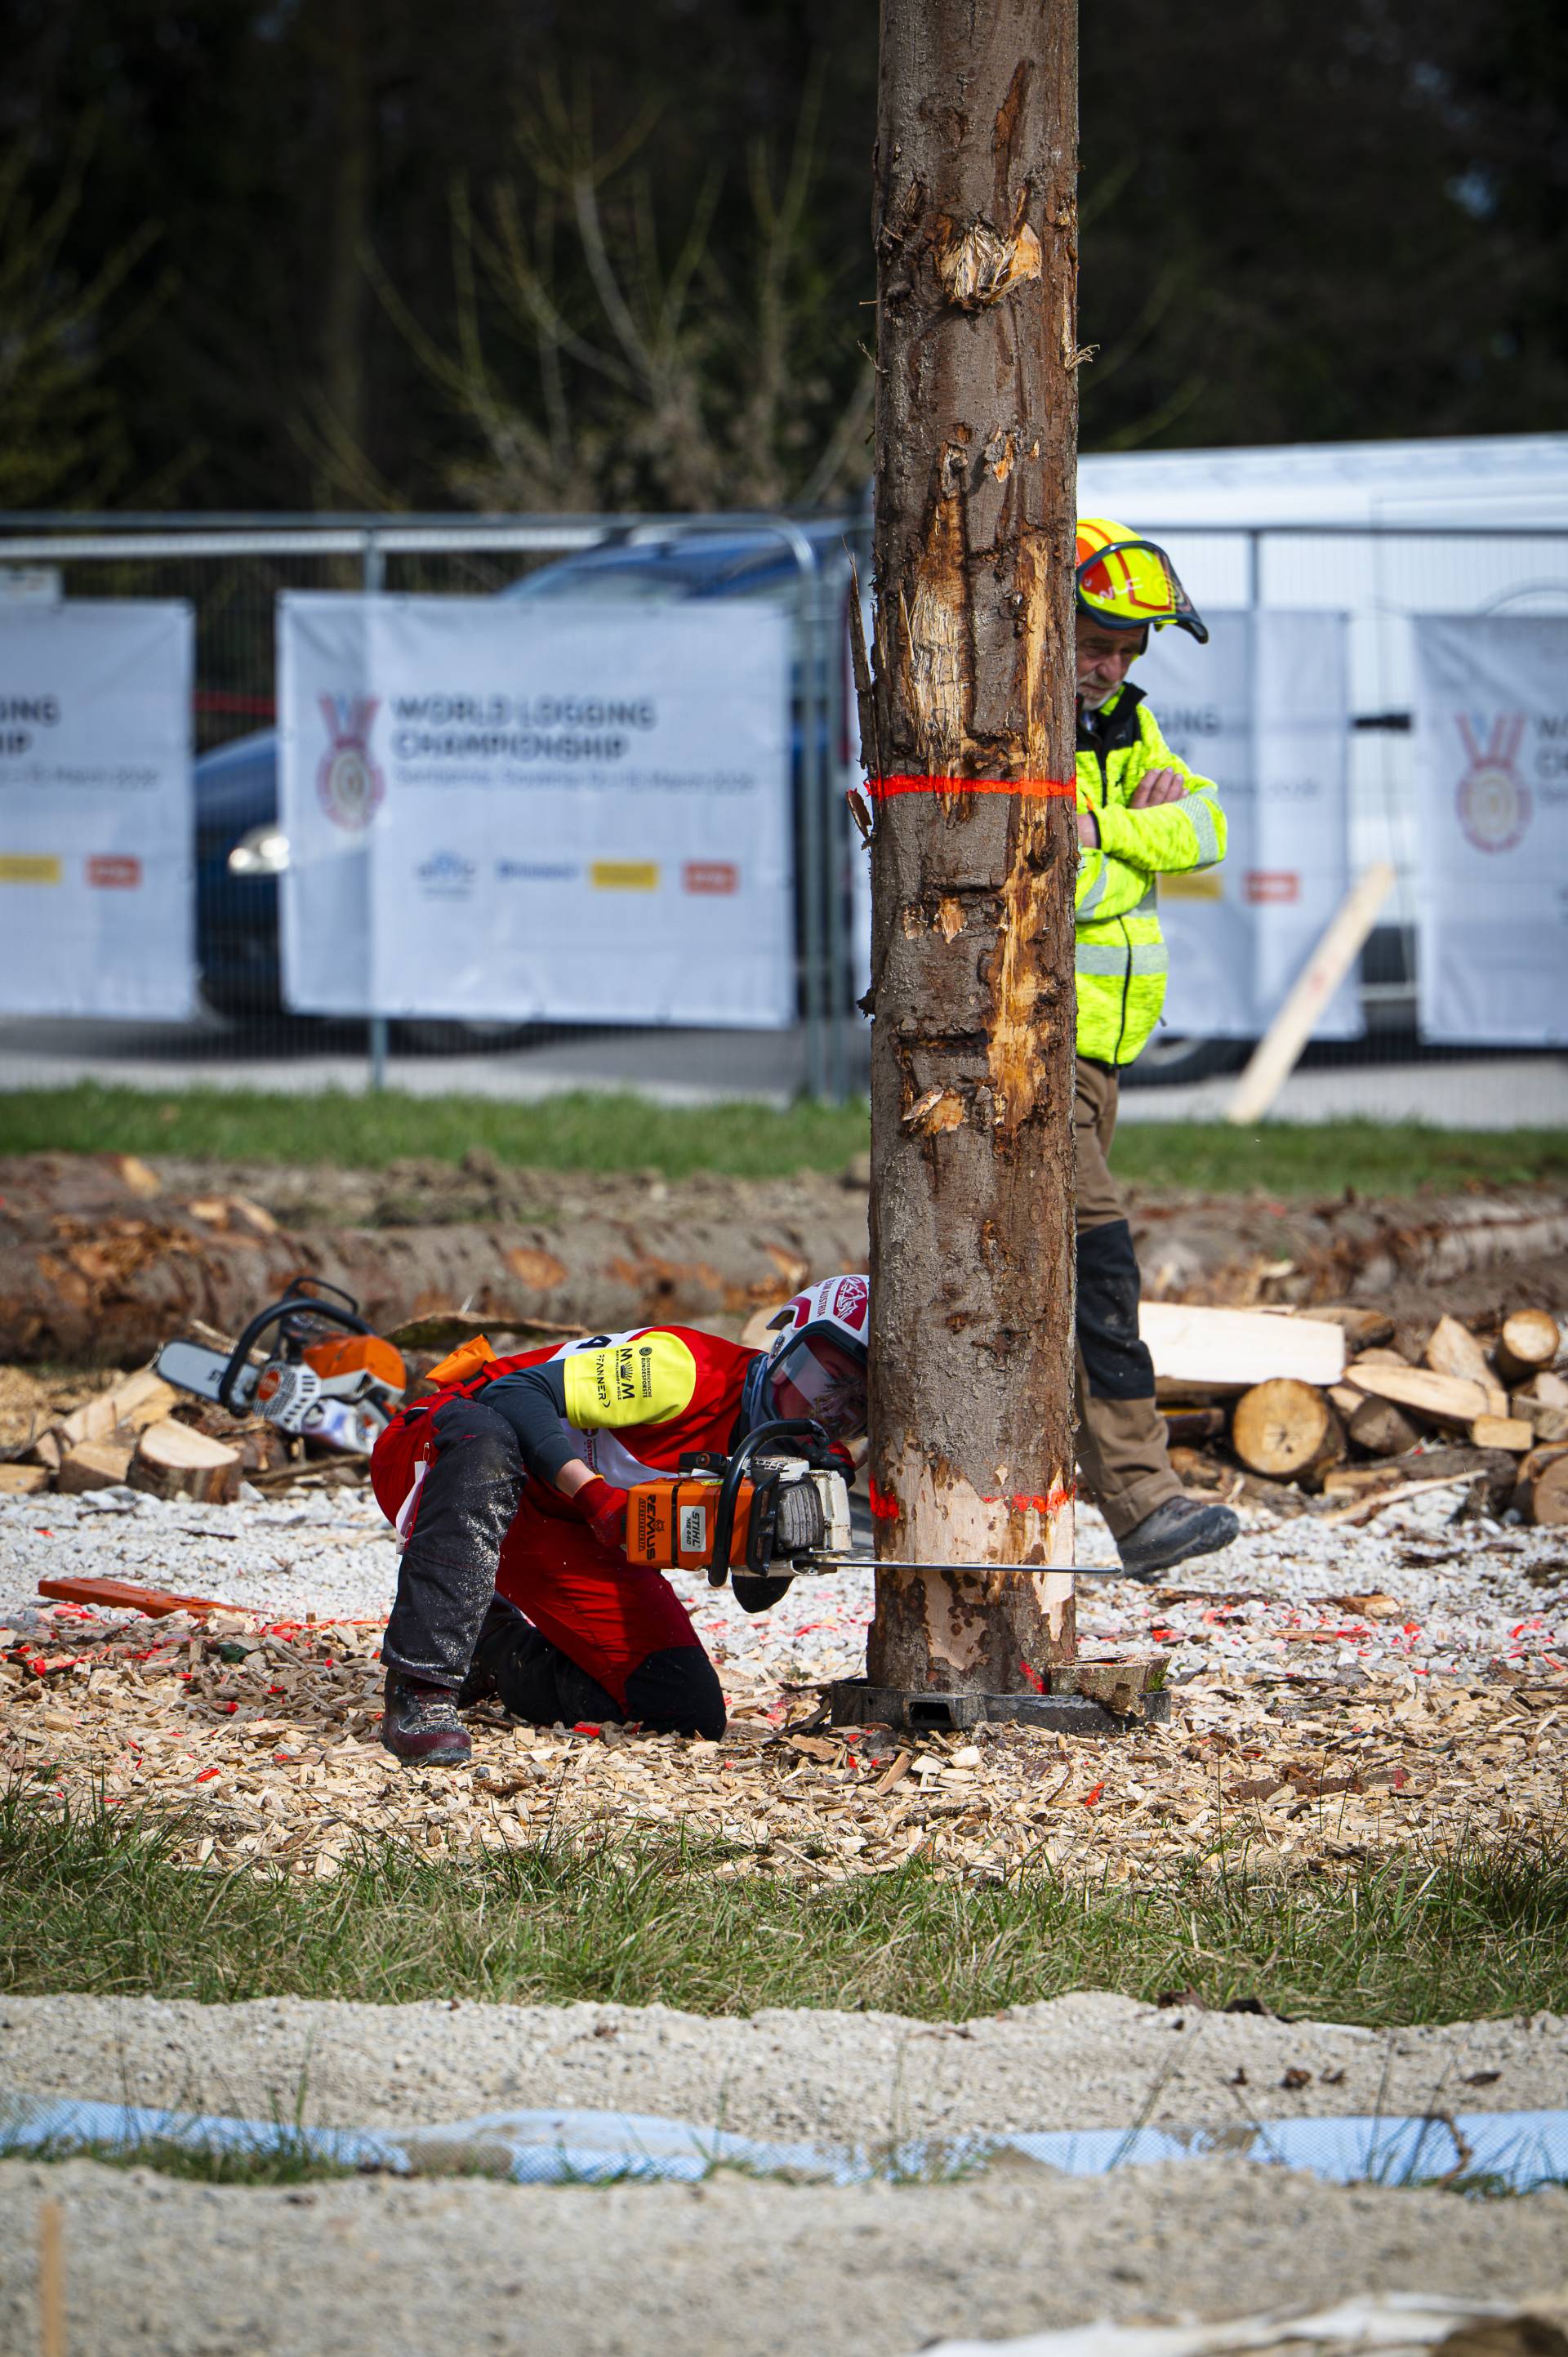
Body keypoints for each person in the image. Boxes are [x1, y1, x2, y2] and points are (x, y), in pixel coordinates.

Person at [371, 1276, 871, 1765]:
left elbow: (752, 1594)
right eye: (826, 1383)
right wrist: (592, 1494)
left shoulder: (794, 1453)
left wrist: (795, 1519)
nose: (827, 1413)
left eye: (856, 1407)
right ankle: (421, 1686)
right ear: (785, 1351)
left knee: (681, 1705)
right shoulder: (682, 1370)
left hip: (562, 1520)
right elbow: (510, 1393)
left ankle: (491, 1650)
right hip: (440, 1451)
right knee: (487, 1443)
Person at [1071, 516, 1241, 1579]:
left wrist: (1113, 832)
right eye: (1097, 642)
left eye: (1130, 649)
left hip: (1105, 1055)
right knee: (1099, 1267)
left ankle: (869, 1488)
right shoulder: (1016, 729)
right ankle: (1141, 1501)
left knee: (1029, 1280)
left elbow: (1209, 828)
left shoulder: (1129, 723)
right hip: (1037, 1053)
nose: (1113, 667)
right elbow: (1049, 877)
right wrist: (1130, 845)